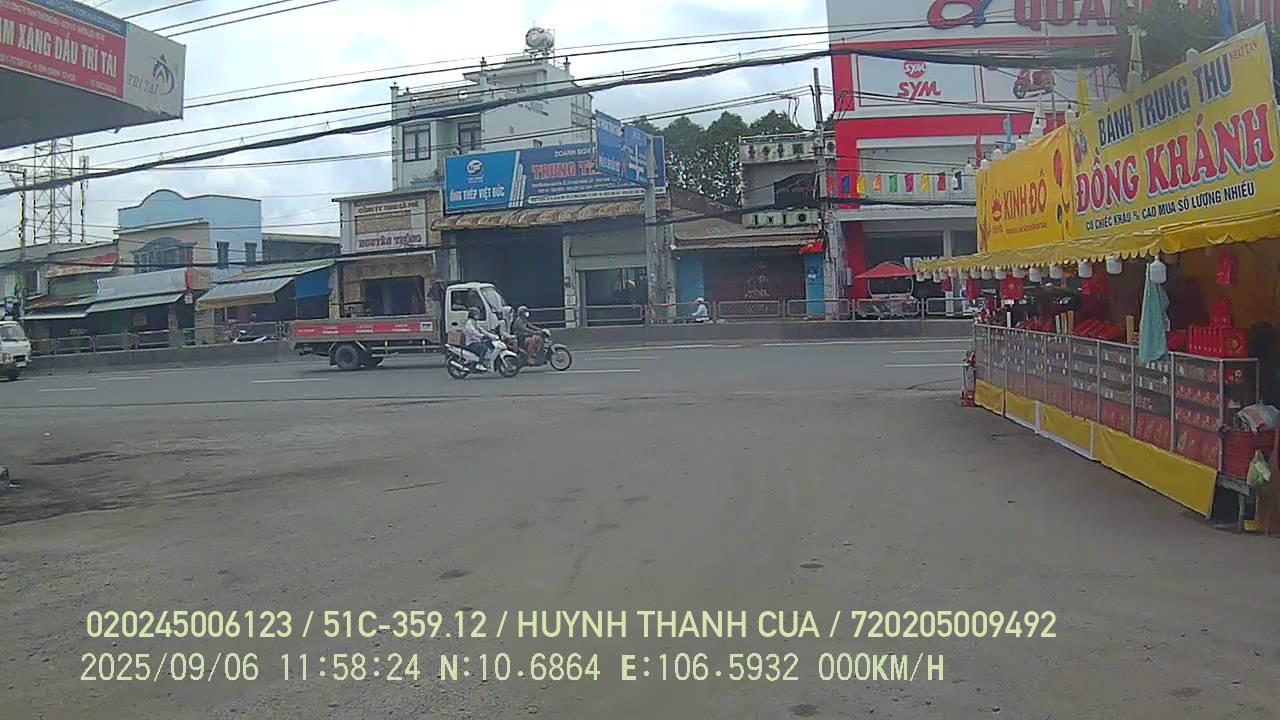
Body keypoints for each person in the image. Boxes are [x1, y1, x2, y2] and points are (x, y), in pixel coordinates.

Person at [462, 306, 499, 371]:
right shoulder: (469, 323)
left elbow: (482, 330)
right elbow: (473, 332)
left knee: (488, 343)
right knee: (484, 348)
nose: (478, 315)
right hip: (471, 343)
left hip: (476, 341)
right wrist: (481, 336)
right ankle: (480, 364)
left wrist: (492, 336)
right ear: (472, 314)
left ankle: (486, 361)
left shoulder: (475, 322)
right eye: (476, 314)